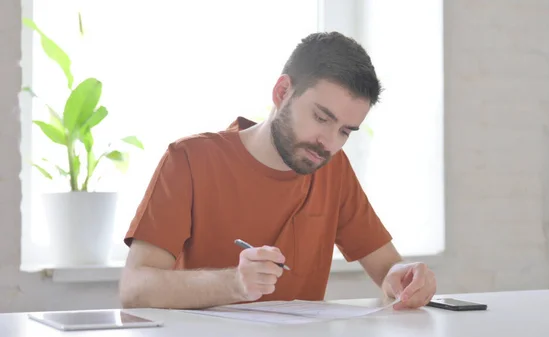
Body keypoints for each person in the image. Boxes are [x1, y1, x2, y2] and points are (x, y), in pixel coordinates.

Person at [118, 31, 436, 310]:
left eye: (345, 131)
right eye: (321, 118)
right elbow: (135, 288)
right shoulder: (189, 159)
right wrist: (234, 283)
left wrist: (402, 278)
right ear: (282, 92)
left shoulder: (333, 168)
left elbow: (387, 268)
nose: (329, 141)